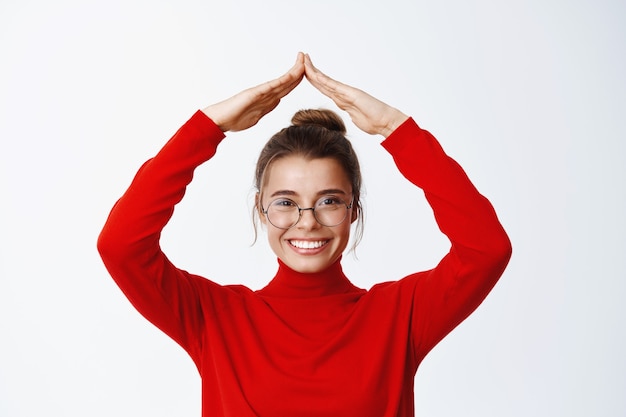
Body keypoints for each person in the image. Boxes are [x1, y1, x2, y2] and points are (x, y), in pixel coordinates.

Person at [97, 52, 512, 417]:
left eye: (329, 200)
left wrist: (394, 128)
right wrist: (209, 126)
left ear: (354, 209)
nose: (307, 221)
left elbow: (486, 250)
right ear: (261, 209)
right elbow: (121, 245)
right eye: (285, 202)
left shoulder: (399, 317)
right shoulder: (214, 318)